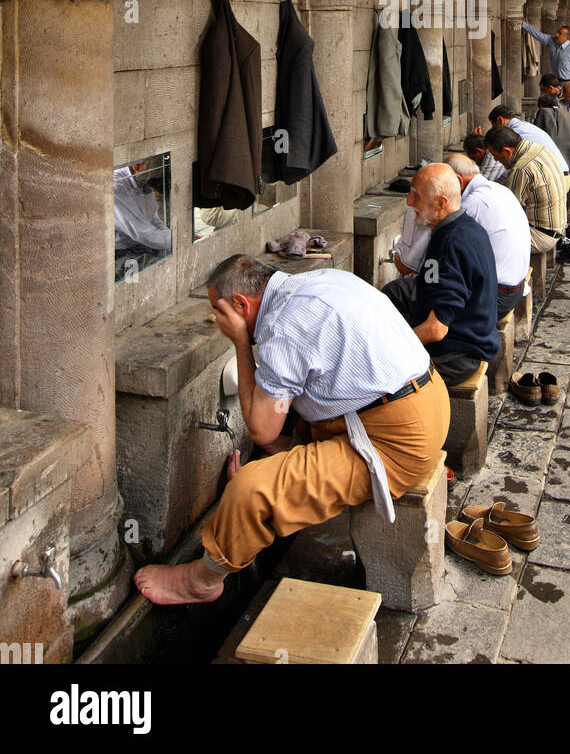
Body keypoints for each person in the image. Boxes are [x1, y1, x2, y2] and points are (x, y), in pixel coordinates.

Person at [133, 255, 449, 604]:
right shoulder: (319, 281)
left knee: (250, 489)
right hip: (427, 400)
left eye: (219, 312)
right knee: (284, 442)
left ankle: (203, 580)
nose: (218, 321)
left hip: (397, 442)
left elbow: (262, 431)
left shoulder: (283, 326)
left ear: (241, 304)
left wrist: (240, 341)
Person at [381, 164, 500, 385]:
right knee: (394, 294)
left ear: (440, 203)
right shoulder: (460, 226)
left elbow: (436, 330)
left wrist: (394, 347)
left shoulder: (449, 245)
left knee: (378, 369)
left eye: (416, 195)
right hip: (466, 332)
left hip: (457, 355)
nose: (409, 202)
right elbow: (434, 278)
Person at [444, 154, 531, 318]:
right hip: (515, 288)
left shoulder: (471, 205)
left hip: (497, 298)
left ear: (458, 180)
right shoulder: (499, 189)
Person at [483, 125, 568, 256]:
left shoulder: (521, 168)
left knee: (481, 241)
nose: (495, 160)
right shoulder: (539, 148)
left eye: (495, 155)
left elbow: (507, 212)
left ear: (507, 151)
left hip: (541, 235)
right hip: (558, 226)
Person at [486, 105, 570, 178]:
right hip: (560, 172)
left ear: (500, 120)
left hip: (554, 175)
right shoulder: (524, 126)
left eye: (494, 127)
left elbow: (498, 171)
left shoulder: (515, 133)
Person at [520, 19, 570, 84]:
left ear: (567, 38)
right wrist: (524, 24)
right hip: (556, 82)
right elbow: (538, 34)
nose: (556, 35)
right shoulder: (551, 41)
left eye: (560, 33)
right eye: (557, 32)